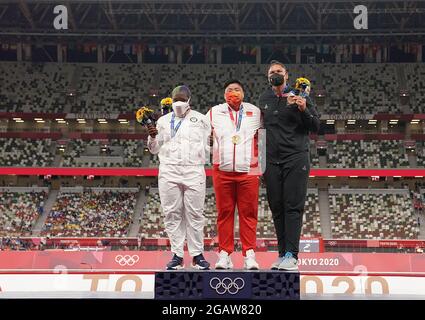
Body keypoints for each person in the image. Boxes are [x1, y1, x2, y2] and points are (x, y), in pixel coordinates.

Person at [258, 60, 320, 271]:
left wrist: (304, 109)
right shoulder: (264, 98)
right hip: (271, 161)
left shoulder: (299, 96)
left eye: (278, 71)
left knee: (292, 206)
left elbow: (316, 126)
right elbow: (262, 132)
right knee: (277, 207)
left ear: (287, 75)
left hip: (295, 158)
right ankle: (282, 253)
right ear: (268, 77)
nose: (275, 74)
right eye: (271, 72)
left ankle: (292, 255)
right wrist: (260, 164)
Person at [147, 85, 211, 270]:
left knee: (195, 214)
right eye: (176, 99)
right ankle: (177, 255)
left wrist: (212, 145)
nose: (179, 102)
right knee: (172, 213)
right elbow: (153, 149)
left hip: (194, 170)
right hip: (169, 170)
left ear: (189, 99)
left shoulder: (201, 119)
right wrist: (151, 137)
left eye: (182, 98)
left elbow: (211, 149)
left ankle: (197, 255)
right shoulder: (163, 121)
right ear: (171, 99)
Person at [206, 79, 262, 270]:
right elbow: (201, 135)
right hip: (222, 170)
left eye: (237, 89)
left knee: (249, 213)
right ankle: (224, 254)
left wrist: (260, 166)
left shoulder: (255, 112)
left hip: (249, 170)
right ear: (224, 95)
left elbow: (262, 138)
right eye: (230, 90)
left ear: (243, 94)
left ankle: (249, 255)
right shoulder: (214, 112)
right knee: (224, 213)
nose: (233, 92)